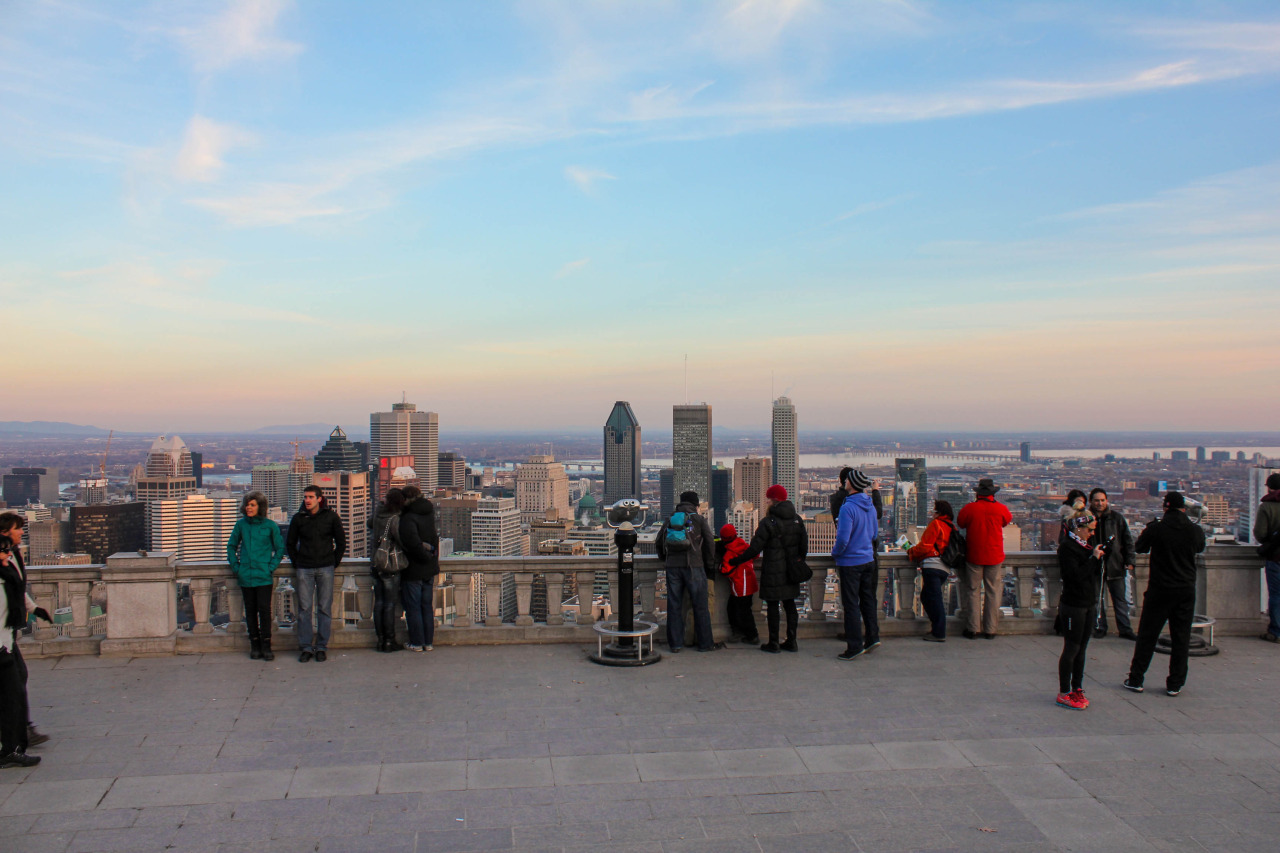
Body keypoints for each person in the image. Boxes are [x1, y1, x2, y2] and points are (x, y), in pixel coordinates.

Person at [1124, 491, 1207, 697]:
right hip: (1185, 590)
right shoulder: (1194, 530)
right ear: (1183, 508)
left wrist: (1151, 529)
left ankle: (1136, 679)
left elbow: (1140, 548)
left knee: (1148, 636)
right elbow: (1200, 547)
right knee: (1181, 638)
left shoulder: (1157, 529)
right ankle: (1175, 684)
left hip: (1160, 589)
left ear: (1165, 507)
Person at [729, 485, 807, 654]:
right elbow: (804, 547)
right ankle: (791, 641)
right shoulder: (797, 520)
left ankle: (774, 642)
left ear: (773, 500)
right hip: (791, 570)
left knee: (773, 606)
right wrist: (796, 560)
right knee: (790, 604)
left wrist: (737, 560)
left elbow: (754, 549)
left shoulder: (768, 522)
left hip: (773, 569)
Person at [0, 513, 49, 749]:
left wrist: (35, 608)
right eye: (17, 528)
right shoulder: (4, 560)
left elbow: (18, 589)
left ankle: (21, 729)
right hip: (3, 637)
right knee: (14, 682)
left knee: (19, 678)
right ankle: (15, 737)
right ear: (5, 531)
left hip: (8, 633)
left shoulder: (14, 554)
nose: (21, 532)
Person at [286, 485, 346, 663]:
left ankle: (321, 646)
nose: (307, 500)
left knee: (324, 608)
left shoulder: (331, 517)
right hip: (304, 568)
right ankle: (305, 646)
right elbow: (290, 543)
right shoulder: (298, 518)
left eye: (311, 497)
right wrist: (297, 562)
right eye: (305, 497)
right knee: (304, 609)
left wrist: (333, 562)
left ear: (319, 499)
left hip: (325, 567)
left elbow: (341, 541)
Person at [656, 491, 720, 653]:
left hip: (673, 567)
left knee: (674, 605)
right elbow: (710, 542)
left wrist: (665, 558)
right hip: (694, 566)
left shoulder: (671, 518)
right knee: (700, 606)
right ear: (695, 505)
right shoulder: (698, 519)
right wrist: (709, 563)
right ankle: (705, 643)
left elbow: (659, 541)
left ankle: (675, 644)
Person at [1056, 509, 1106, 710]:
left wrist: (1097, 557)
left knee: (1082, 648)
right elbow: (1074, 576)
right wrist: (1093, 559)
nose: (1092, 534)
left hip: (1087, 602)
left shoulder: (1085, 545)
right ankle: (1064, 691)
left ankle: (1077, 687)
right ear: (1079, 527)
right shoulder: (1067, 547)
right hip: (1073, 604)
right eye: (1090, 530)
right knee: (1072, 648)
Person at [225, 491, 284, 661]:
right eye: (247, 505)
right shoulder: (241, 525)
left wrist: (270, 567)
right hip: (246, 576)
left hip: (264, 576)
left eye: (252, 505)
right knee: (250, 612)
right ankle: (255, 645)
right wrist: (237, 567)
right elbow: (231, 546)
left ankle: (267, 646)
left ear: (260, 507)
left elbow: (279, 549)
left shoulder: (270, 526)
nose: (248, 508)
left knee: (265, 611)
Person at [831, 469, 880, 660]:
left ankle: (854, 645)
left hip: (851, 562)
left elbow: (843, 538)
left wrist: (836, 553)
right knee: (868, 600)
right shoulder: (871, 506)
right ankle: (872, 637)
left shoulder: (847, 507)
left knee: (851, 604)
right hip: (869, 559)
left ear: (851, 483)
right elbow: (875, 534)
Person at [956, 478, 1012, 639]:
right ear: (993, 493)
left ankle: (973, 628)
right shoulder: (1001, 508)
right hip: (995, 555)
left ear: (977, 493)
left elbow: (961, 523)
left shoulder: (970, 508)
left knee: (973, 591)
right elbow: (1006, 521)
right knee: (992, 592)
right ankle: (990, 629)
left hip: (974, 555)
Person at [1088, 488, 1137, 640]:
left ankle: (1125, 629)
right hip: (1095, 565)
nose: (1100, 503)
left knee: (1120, 600)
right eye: (1097, 500)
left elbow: (1127, 541)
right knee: (1096, 599)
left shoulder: (1117, 518)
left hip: (1115, 565)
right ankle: (1099, 627)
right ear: (1091, 502)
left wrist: (1130, 560)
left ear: (1107, 501)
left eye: (1102, 500)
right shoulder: (1087, 518)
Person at [398, 485, 440, 652]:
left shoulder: (408, 518)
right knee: (426, 607)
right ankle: (428, 642)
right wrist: (431, 557)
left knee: (413, 607)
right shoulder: (429, 513)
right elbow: (434, 537)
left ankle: (417, 642)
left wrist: (424, 557)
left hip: (414, 569)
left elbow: (412, 544)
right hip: (430, 569)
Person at [907, 500, 955, 642]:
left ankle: (939, 632)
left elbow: (925, 546)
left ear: (938, 512)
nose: (932, 513)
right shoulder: (951, 526)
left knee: (933, 599)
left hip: (932, 565)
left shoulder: (936, 524)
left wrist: (911, 551)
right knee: (928, 597)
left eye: (934, 510)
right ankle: (936, 628)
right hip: (945, 567)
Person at [370, 488, 406, 653]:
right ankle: (389, 641)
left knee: (378, 604)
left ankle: (380, 640)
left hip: (376, 564)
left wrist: (379, 505)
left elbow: (368, 523)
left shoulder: (377, 516)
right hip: (390, 565)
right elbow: (401, 539)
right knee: (390, 604)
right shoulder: (394, 519)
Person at [716, 523, 759, 645]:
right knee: (743, 610)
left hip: (740, 586)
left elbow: (725, 571)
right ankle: (747, 634)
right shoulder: (742, 544)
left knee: (739, 611)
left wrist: (720, 565)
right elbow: (755, 554)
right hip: (750, 582)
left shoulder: (729, 552)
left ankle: (751, 635)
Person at [1253, 472, 1280, 644]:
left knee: (1277, 595)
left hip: (1276, 557)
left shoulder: (1267, 506)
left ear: (1269, 487)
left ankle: (1276, 631)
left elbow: (1260, 534)